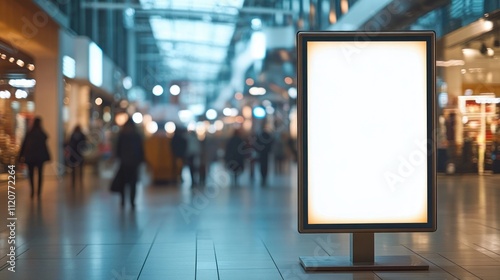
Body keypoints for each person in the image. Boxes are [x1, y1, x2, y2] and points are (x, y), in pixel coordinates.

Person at [115, 118, 144, 209]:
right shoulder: (136, 135)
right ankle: (132, 202)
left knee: (123, 183)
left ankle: (124, 200)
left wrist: (119, 157)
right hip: (133, 163)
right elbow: (140, 149)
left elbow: (118, 148)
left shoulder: (122, 135)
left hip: (125, 163)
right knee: (133, 184)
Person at [18, 117, 51, 199]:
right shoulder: (41, 133)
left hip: (30, 157)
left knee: (31, 174)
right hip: (40, 157)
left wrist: (20, 156)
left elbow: (24, 145)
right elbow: (46, 137)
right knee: (40, 174)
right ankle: (39, 192)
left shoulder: (29, 133)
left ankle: (32, 191)